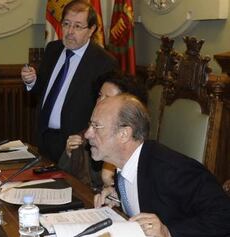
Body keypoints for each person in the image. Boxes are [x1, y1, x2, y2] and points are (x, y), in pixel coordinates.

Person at [88, 94, 230, 236]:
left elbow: (224, 215)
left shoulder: (172, 170)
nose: (88, 134)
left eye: (96, 126)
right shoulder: (125, 163)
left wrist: (168, 232)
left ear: (124, 134)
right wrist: (118, 197)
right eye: (90, 125)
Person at [21, 0, 117, 163]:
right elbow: (44, 90)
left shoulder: (103, 62)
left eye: (78, 26)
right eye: (66, 24)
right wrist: (31, 81)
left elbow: (106, 108)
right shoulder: (53, 49)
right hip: (43, 137)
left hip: (74, 146)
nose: (70, 31)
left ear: (91, 30)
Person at [58, 72, 147, 190]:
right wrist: (71, 155)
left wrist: (109, 183)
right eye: (100, 96)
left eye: (108, 98)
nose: (100, 102)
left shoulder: (135, 149)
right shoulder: (87, 135)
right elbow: (61, 177)